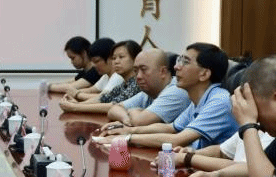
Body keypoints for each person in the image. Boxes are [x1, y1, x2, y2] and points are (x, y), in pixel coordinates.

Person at [95, 43, 237, 150]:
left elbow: (177, 140)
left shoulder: (218, 101)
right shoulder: (199, 100)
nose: (176, 67)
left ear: (204, 74)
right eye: (179, 60)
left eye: (185, 62)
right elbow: (171, 128)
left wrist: (128, 137)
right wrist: (129, 130)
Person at [97, 48, 189, 134]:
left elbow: (139, 122)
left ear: (163, 72)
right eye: (136, 71)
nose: (138, 76)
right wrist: (126, 119)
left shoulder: (177, 91)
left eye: (144, 70)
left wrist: (133, 111)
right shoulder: (149, 91)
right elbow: (113, 110)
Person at [57, 40, 140, 115]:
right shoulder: (124, 84)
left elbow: (115, 106)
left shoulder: (138, 82)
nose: (116, 61)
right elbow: (103, 98)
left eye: (121, 57)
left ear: (135, 59)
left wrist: (75, 107)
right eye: (114, 58)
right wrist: (76, 104)